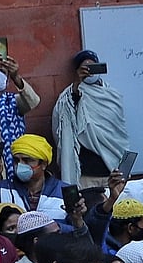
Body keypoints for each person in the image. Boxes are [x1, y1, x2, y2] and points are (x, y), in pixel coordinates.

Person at [50, 50, 128, 189]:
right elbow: (64, 123)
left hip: (112, 173)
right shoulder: (68, 97)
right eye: (84, 68)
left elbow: (118, 131)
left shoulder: (112, 95)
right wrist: (77, 85)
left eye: (92, 67)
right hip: (86, 175)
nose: (89, 72)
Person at [0, 54, 39, 176]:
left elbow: (33, 101)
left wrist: (16, 77)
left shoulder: (14, 102)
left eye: (3, 72)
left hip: (12, 162)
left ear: (7, 79)